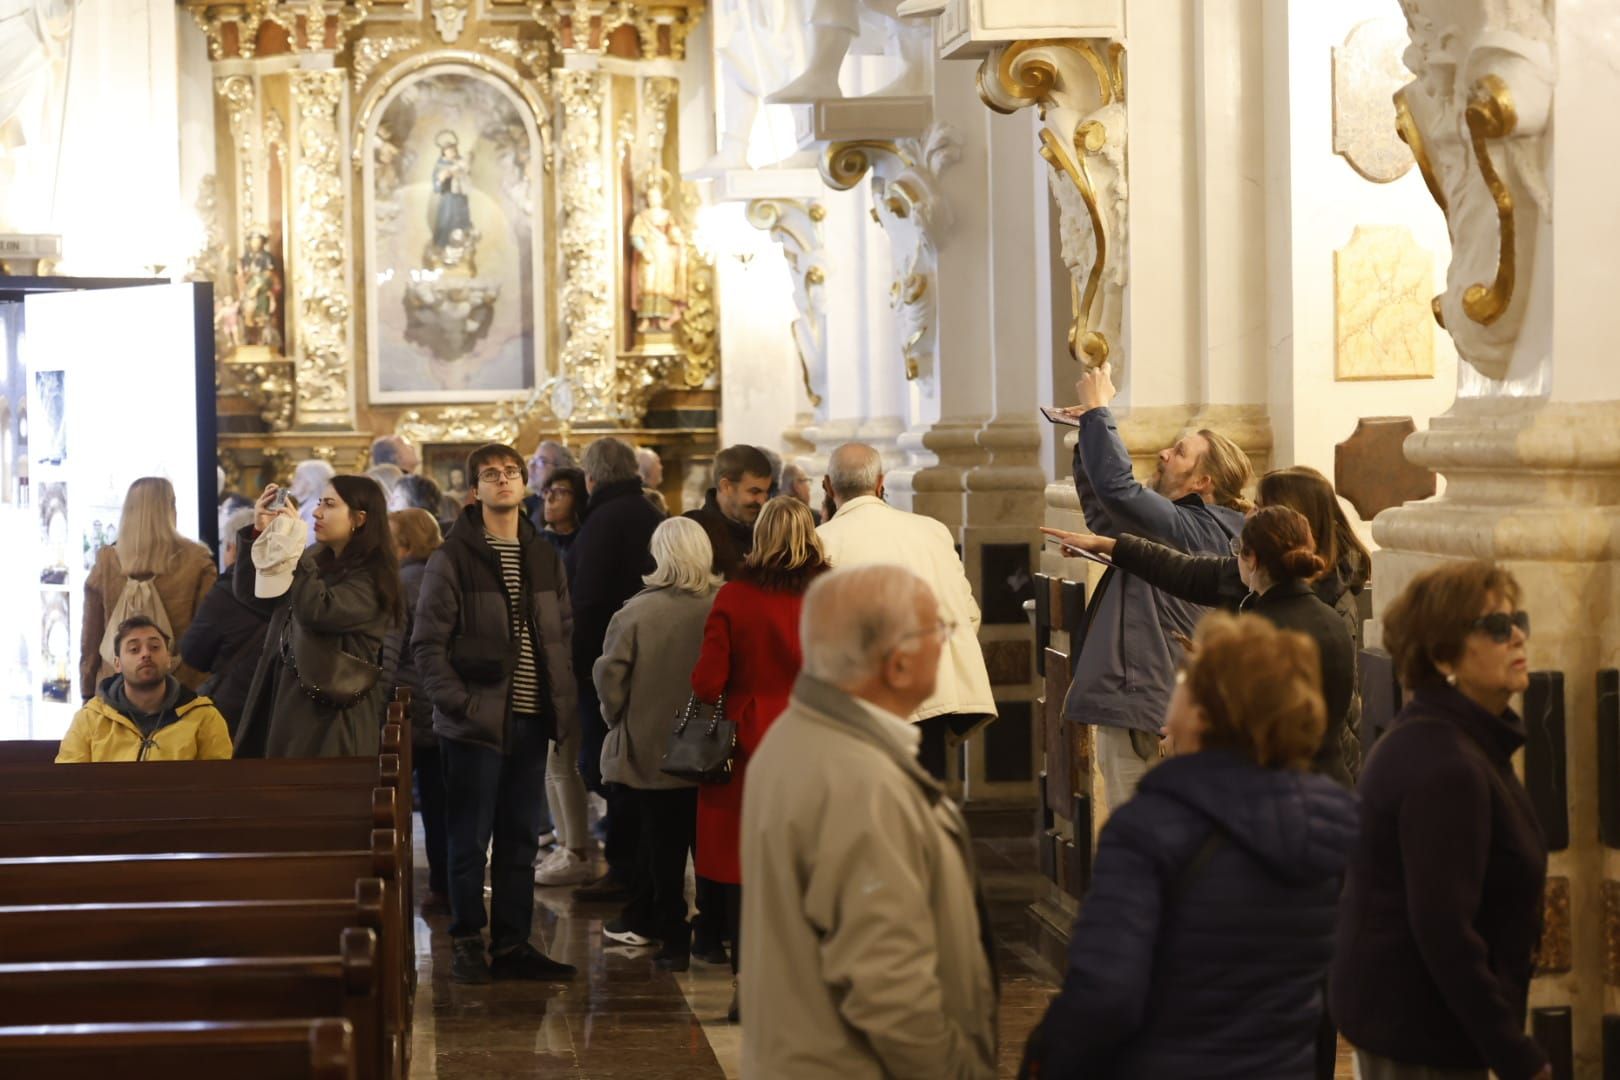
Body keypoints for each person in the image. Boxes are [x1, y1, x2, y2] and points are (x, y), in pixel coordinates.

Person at [1027, 612, 1358, 1078]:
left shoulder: (1146, 830)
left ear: (1204, 713)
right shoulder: (1332, 821)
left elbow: (1104, 994)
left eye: (1185, 678)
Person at [740, 564, 997, 1076]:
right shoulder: (861, 783)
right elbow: (889, 989)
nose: (948, 644)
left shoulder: (797, 737)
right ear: (897, 665)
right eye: (939, 630)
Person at [1332, 561, 1549, 1080]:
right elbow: (1444, 930)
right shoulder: (1443, 761)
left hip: (1427, 1025)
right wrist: (1515, 1053)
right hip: (1421, 1030)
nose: (1517, 634)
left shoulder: (1461, 737)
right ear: (1443, 652)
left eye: (1517, 620)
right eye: (1496, 627)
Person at [412, 443, 579, 983]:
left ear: (523, 485)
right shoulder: (453, 557)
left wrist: (561, 699)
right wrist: (459, 704)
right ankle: (466, 939)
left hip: (530, 716)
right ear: (475, 491)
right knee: (469, 839)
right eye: (492, 475)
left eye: (511, 472)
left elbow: (562, 632)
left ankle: (512, 943)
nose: (504, 481)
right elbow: (428, 645)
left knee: (518, 838)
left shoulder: (543, 554)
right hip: (475, 719)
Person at [1044, 505, 1356, 787]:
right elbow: (1180, 570)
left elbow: (1244, 727)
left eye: (1238, 552)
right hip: (1330, 784)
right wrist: (1105, 545)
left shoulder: (1259, 632)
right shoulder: (1332, 620)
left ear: (1253, 559)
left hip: (1274, 792)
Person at [1059, 363, 1251, 810]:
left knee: (1145, 850)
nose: (1164, 454)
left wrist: (1098, 412)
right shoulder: (1183, 524)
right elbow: (1108, 513)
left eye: (1180, 452)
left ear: (1204, 482)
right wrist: (1084, 429)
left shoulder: (1200, 528)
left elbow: (1120, 492)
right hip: (1145, 706)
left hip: (1151, 710)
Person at [691, 496, 830, 1019]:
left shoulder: (734, 596)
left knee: (744, 868)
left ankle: (748, 982)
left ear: (760, 537)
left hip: (748, 745)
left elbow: (707, 682)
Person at [816, 442, 995, 779]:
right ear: (881, 481)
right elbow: (968, 614)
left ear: (827, 485)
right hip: (928, 695)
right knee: (923, 806)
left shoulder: (821, 541)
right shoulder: (931, 531)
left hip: (863, 704)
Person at [592, 517, 721, 969]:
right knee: (710, 847)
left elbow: (610, 681)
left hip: (653, 749)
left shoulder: (635, 614)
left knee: (662, 849)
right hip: (711, 746)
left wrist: (618, 720)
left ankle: (672, 937)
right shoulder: (721, 605)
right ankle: (715, 932)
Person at [559, 438, 665, 899]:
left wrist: (579, 667)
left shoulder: (603, 521)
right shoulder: (649, 514)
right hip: (651, 661)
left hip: (608, 665)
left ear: (592, 477)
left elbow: (589, 601)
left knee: (611, 767)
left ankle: (625, 870)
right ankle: (638, 866)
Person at [232, 475, 401, 759]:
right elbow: (257, 597)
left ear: (359, 519)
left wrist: (292, 547)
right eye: (320, 502)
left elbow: (317, 610)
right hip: (287, 701)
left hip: (331, 717)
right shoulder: (316, 558)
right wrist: (262, 535)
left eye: (330, 504)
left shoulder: (373, 577)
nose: (316, 511)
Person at [1259, 467, 1371, 773]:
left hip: (1320, 762)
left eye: (1260, 509)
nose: (1250, 518)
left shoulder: (1325, 597)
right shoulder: (1306, 585)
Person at [81, 476, 217, 700]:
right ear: (170, 508)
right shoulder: (197, 561)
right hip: (181, 692)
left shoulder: (107, 561)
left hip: (114, 690)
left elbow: (91, 637)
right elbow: (207, 635)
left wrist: (87, 691)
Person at [57, 615, 233, 762]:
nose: (145, 654)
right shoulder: (90, 719)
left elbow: (219, 787)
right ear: (117, 664)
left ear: (169, 659)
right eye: (134, 649)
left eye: (155, 647)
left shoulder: (204, 717)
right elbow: (70, 784)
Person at [389, 507, 450, 912]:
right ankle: (446, 886)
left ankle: (398, 882)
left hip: (409, 703)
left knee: (399, 801)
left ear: (405, 545)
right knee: (441, 803)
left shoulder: (401, 584)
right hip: (443, 703)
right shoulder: (445, 576)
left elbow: (391, 651)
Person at [180, 506, 269, 735]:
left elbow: (193, 652)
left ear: (232, 547)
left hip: (234, 706)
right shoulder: (298, 584)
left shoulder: (227, 591)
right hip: (283, 708)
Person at [684, 444, 771, 578]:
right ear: (726, 487)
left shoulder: (769, 531)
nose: (762, 501)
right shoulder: (693, 533)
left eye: (766, 492)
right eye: (754, 491)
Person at [524, 440, 577, 525]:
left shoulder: (565, 510)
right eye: (532, 460)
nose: (531, 466)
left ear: (560, 469)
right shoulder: (526, 504)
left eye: (541, 462)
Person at [538, 466, 587, 558]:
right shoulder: (535, 542)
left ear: (578, 499)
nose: (549, 498)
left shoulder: (587, 541)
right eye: (547, 492)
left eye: (559, 492)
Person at [290, 458, 337, 547]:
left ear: (312, 482)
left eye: (298, 477)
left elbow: (309, 544)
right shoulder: (307, 506)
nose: (293, 481)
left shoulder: (316, 509)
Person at [635, 446, 668, 515]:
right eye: (658, 463)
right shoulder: (652, 498)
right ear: (648, 467)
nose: (661, 467)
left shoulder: (635, 493)